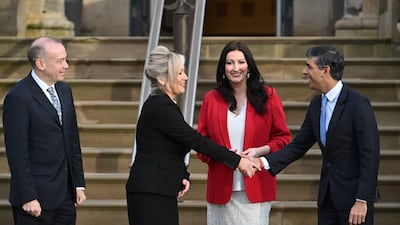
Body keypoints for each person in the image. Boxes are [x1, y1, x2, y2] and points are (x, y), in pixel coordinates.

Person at [125, 45, 260, 225]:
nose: (185, 77)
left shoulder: (164, 105)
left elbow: (172, 147)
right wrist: (236, 160)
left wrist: (182, 174)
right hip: (151, 192)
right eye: (180, 73)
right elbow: (195, 140)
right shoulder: (161, 107)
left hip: (157, 189)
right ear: (163, 79)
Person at [255, 46, 380, 225]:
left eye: (309, 67)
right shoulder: (316, 104)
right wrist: (262, 162)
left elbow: (371, 155)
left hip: (354, 201)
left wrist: (362, 200)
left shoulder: (357, 103)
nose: (304, 71)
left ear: (325, 70)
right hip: (327, 200)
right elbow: (298, 146)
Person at [196, 41, 292, 225]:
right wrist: (224, 155)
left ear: (249, 66)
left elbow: (283, 138)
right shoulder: (211, 99)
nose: (235, 68)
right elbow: (201, 144)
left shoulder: (269, 96)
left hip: (256, 186)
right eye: (230, 62)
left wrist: (259, 151)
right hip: (221, 189)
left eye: (240, 62)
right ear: (223, 68)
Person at [3, 37, 86, 225]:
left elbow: (72, 140)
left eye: (66, 59)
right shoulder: (18, 97)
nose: (66, 65)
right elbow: (17, 152)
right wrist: (27, 196)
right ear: (40, 64)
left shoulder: (65, 90)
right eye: (60, 61)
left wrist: (78, 183)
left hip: (65, 196)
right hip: (35, 200)